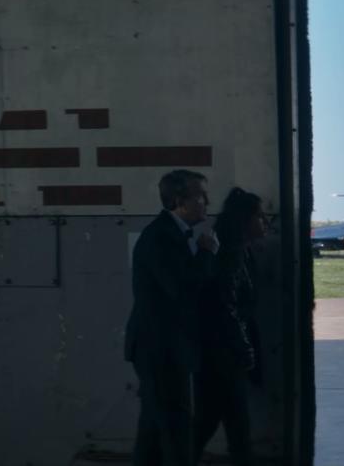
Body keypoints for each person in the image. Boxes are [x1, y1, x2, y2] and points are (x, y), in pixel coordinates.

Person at [125, 170, 218, 466]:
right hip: (160, 349)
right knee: (176, 427)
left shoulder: (169, 234)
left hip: (161, 347)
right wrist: (205, 254)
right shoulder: (161, 237)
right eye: (200, 195)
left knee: (153, 431)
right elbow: (181, 289)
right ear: (179, 201)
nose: (207, 201)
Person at [194, 187, 268, 466]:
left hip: (221, 352)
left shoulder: (235, 252)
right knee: (227, 420)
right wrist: (243, 348)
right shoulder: (231, 255)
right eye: (259, 217)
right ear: (245, 221)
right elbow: (225, 307)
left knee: (219, 419)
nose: (264, 222)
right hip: (222, 354)